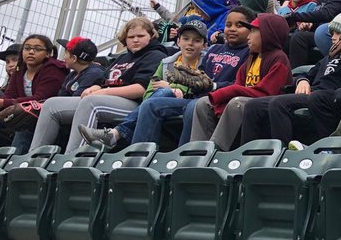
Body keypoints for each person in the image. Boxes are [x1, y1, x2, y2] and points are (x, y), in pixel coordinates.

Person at [29, 16, 168, 151]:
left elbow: (141, 88)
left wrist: (104, 91)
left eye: (141, 36)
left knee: (91, 103)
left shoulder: (155, 55)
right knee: (51, 104)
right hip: (107, 99)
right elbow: (102, 80)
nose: (136, 40)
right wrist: (95, 87)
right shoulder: (123, 57)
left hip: (135, 104)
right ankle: (34, 156)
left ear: (151, 36)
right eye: (131, 37)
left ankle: (75, 157)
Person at [120, 9, 253, 147]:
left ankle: (182, 156)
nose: (232, 29)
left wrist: (213, 86)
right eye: (228, 24)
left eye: (239, 25)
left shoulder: (249, 54)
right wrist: (189, 82)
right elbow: (200, 75)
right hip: (194, 98)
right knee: (150, 105)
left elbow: (241, 85)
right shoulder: (214, 49)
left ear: (251, 29)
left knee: (193, 106)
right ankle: (139, 155)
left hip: (218, 101)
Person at [238, 9, 341, 143]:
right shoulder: (328, 58)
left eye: (339, 33)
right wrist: (303, 80)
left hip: (325, 97)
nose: (333, 37)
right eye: (332, 33)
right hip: (309, 94)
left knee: (278, 103)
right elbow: (306, 74)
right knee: (253, 106)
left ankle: (282, 153)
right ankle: (247, 154)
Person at [79, 18, 214, 149]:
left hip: (192, 103)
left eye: (197, 41)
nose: (190, 43)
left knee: (165, 92)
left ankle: (116, 133)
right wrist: (171, 92)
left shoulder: (208, 62)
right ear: (178, 41)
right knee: (160, 95)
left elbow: (208, 89)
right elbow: (149, 94)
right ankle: (131, 152)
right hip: (162, 103)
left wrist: (176, 90)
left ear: (204, 45)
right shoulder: (166, 63)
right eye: (185, 39)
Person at [188, 13, 291, 149]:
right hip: (245, 100)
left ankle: (216, 149)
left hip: (263, 106)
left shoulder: (279, 59)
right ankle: (197, 150)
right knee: (203, 103)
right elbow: (239, 84)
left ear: (268, 34)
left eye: (253, 31)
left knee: (237, 103)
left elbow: (267, 92)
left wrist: (231, 91)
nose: (248, 36)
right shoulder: (252, 59)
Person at [0, 34, 68, 154]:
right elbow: (9, 94)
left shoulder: (54, 70)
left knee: (25, 118)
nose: (31, 52)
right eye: (27, 48)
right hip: (21, 111)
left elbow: (40, 98)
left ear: (48, 54)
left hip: (44, 116)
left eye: (37, 49)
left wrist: (3, 102)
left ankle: (15, 161)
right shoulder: (20, 69)